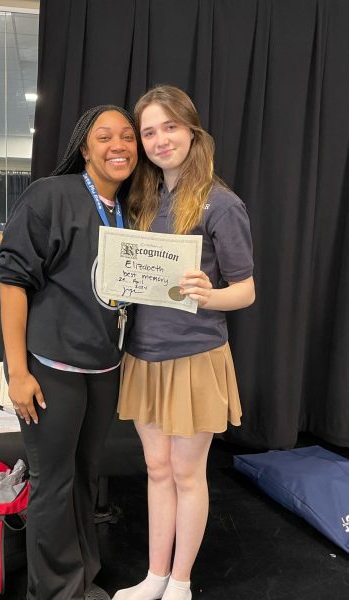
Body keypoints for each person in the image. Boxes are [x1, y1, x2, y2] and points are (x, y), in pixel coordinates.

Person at [113, 85, 255, 600]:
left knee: (187, 472)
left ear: (192, 131)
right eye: (149, 131)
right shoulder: (141, 199)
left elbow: (246, 289)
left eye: (169, 126)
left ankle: (181, 582)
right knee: (156, 468)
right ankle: (154, 576)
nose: (159, 139)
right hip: (144, 355)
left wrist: (210, 295)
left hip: (195, 356)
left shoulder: (221, 202)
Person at [0, 105, 138, 600]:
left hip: (103, 368)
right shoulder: (50, 196)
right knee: (52, 483)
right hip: (51, 368)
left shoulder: (130, 209)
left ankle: (82, 579)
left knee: (84, 477)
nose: (118, 145)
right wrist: (18, 372)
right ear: (84, 147)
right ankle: (54, 593)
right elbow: (12, 283)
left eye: (127, 137)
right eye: (104, 136)